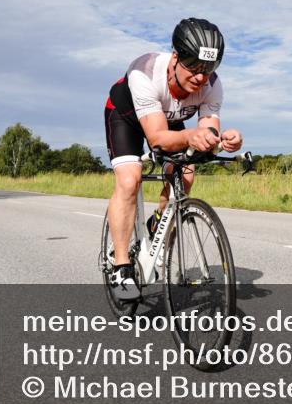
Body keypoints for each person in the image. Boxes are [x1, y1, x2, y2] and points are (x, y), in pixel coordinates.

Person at [103, 18, 242, 300]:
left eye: (208, 69)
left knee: (186, 173)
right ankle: (120, 265)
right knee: (130, 180)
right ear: (176, 57)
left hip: (170, 120)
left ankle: (158, 222)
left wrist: (222, 141)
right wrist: (194, 136)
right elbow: (156, 138)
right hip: (127, 117)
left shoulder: (212, 86)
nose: (200, 78)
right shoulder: (145, 73)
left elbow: (206, 134)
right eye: (193, 67)